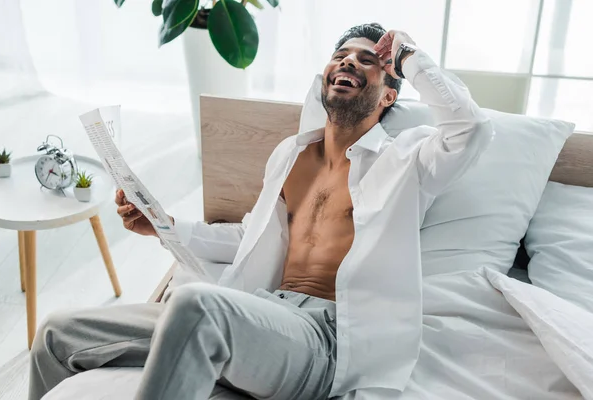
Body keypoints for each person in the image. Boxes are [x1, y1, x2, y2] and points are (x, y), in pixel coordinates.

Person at [29, 23, 493, 400]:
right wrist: (164, 227)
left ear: (390, 94)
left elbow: (471, 128)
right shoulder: (290, 155)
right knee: (57, 333)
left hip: (328, 341)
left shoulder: (407, 160)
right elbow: (249, 237)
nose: (349, 60)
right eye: (342, 55)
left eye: (369, 59)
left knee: (195, 305)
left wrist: (408, 56)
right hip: (261, 312)